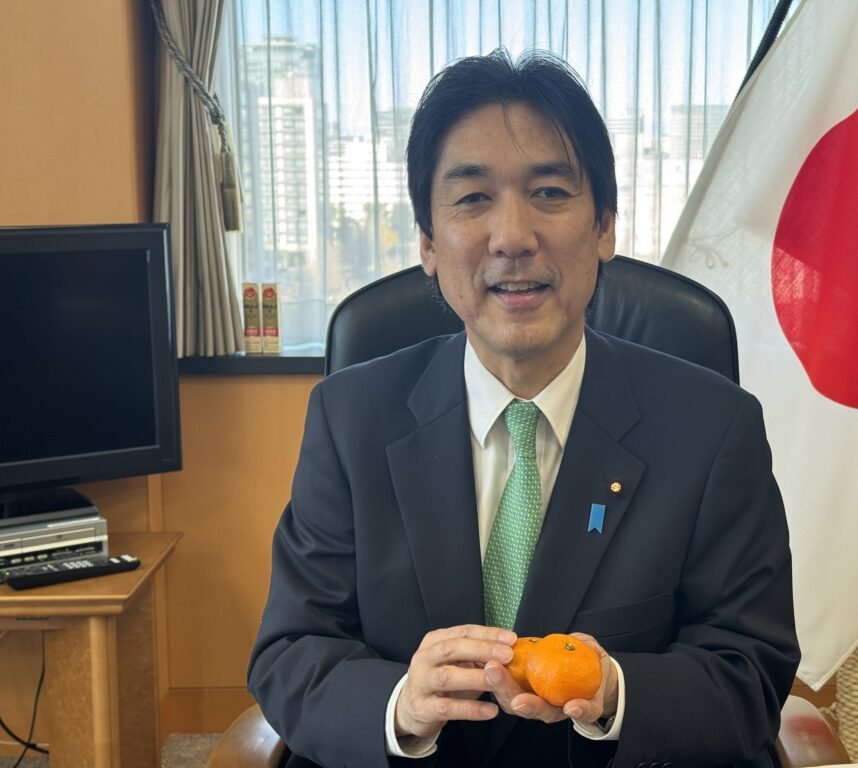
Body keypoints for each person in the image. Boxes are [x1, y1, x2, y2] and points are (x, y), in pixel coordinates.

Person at [248, 49, 799, 768]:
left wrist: (616, 690)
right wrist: (401, 706)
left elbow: (750, 669)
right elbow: (292, 650)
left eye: (549, 192)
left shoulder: (713, 428)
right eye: (473, 199)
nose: (512, 237)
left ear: (605, 226)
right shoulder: (349, 419)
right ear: (428, 243)